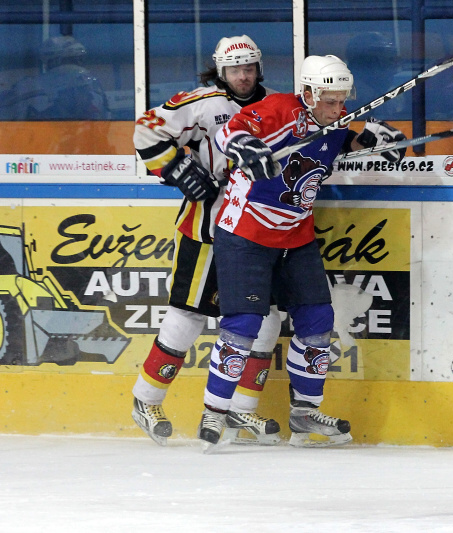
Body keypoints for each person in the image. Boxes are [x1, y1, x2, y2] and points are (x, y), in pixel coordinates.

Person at [206, 54, 406, 447]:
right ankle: (214, 411)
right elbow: (227, 132)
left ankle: (304, 412)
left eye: (343, 101)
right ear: (310, 93)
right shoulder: (280, 109)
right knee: (243, 325)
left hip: (296, 237)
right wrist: (247, 148)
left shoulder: (335, 122)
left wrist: (375, 143)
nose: (338, 108)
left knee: (317, 321)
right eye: (330, 101)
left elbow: (346, 144)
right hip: (246, 234)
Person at [131, 35, 282, 447]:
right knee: (187, 315)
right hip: (209, 226)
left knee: (266, 317)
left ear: (258, 67)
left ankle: (241, 408)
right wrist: (177, 168)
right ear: (221, 70)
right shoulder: (202, 103)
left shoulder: (276, 105)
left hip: (260, 227)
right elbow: (145, 131)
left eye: (249, 67)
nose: (243, 76)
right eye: (235, 69)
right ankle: (146, 399)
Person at [12, 35, 110, 120]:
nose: (77, 65)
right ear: (54, 62)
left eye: (79, 60)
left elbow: (105, 122)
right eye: (72, 60)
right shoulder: (31, 89)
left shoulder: (93, 88)